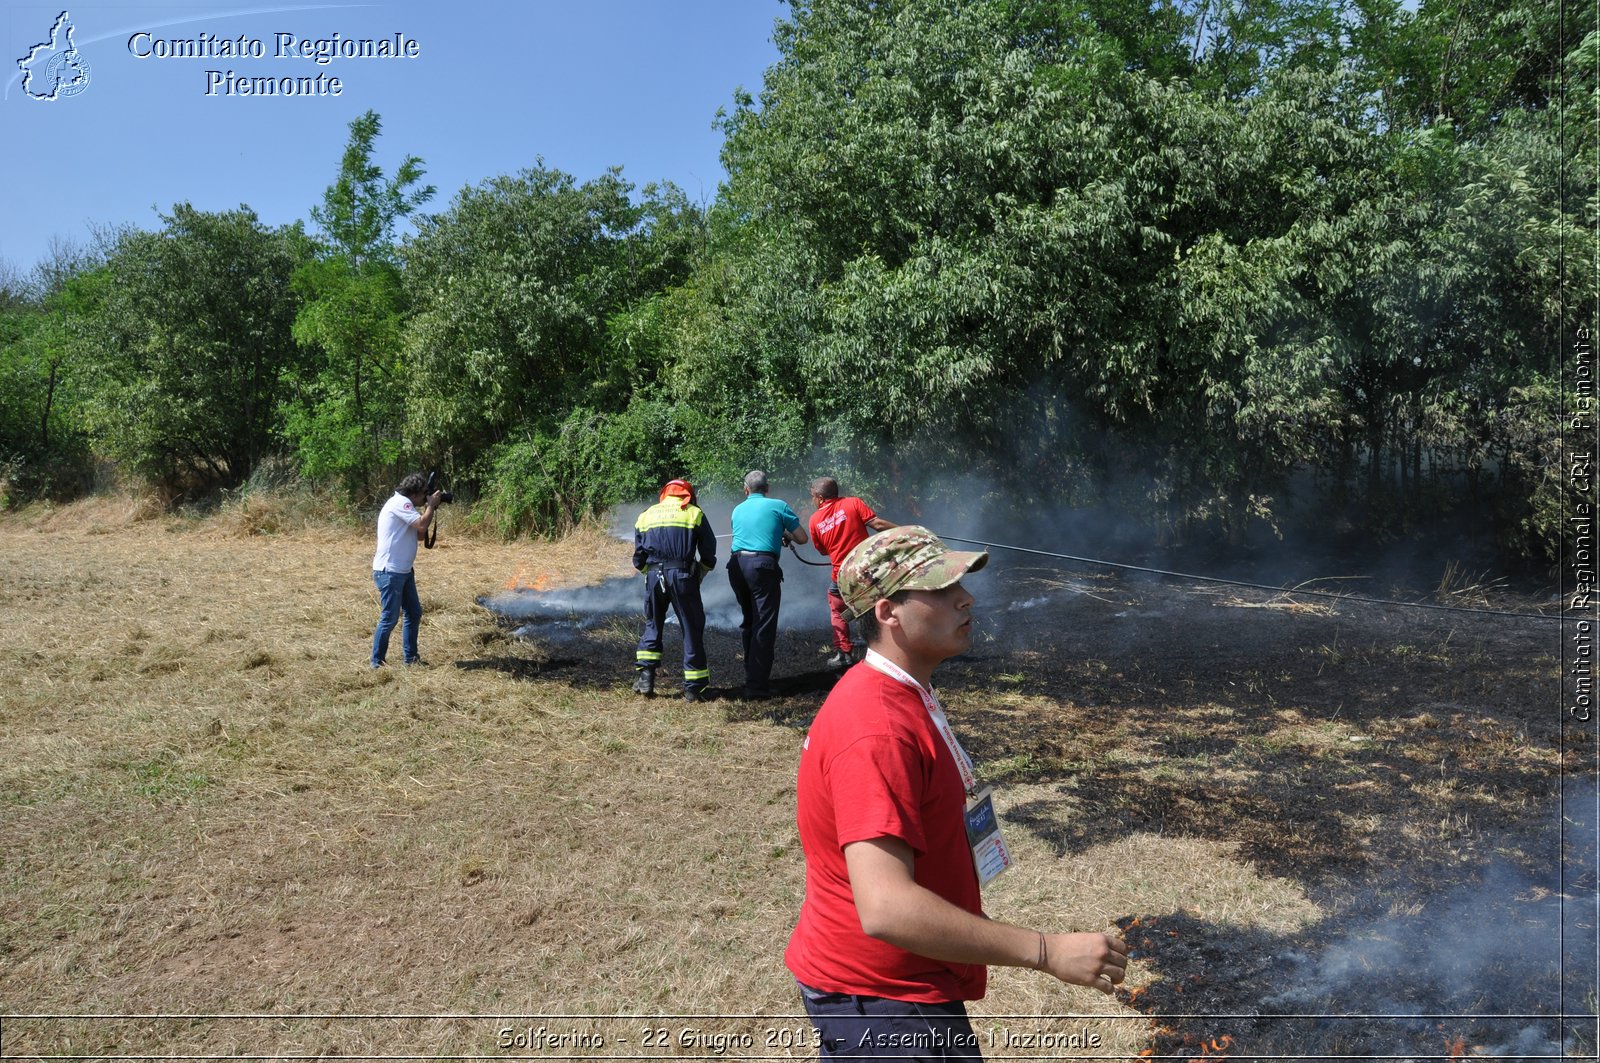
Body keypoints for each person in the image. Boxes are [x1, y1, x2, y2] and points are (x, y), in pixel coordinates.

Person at [785, 526, 1129, 1060]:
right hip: (884, 1000)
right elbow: (886, 909)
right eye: (941, 590)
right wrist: (1047, 951)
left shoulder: (900, 690)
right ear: (886, 612)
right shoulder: (876, 728)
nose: (965, 598)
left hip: (896, 987)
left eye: (961, 585)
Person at [632, 478, 717, 702]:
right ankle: (693, 688)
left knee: (653, 623)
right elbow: (709, 548)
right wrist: (702, 569)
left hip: (653, 576)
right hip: (682, 576)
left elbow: (638, 557)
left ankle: (646, 676)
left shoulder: (647, 514)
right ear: (687, 495)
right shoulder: (693, 513)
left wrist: (648, 573)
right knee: (691, 626)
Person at [727, 470, 808, 700]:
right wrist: (786, 535)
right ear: (768, 488)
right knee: (763, 625)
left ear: (746, 490)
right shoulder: (779, 505)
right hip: (762, 567)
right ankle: (756, 686)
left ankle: (751, 674)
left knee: (750, 622)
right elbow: (802, 538)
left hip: (736, 566)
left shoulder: (737, 509)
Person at [807, 476, 897, 669]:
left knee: (837, 609)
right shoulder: (853, 503)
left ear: (820, 498)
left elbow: (823, 551)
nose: (812, 501)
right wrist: (904, 530)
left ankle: (844, 654)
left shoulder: (814, 521)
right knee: (878, 606)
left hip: (842, 575)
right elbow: (878, 525)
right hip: (868, 571)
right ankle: (888, 651)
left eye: (812, 497)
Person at [370, 472, 444, 668]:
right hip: (390, 571)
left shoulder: (406, 506)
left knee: (413, 612)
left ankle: (411, 659)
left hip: (403, 570)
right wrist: (430, 506)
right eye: (423, 495)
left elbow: (420, 535)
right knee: (390, 617)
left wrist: (430, 509)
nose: (424, 499)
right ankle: (377, 663)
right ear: (415, 493)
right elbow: (421, 523)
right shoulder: (400, 503)